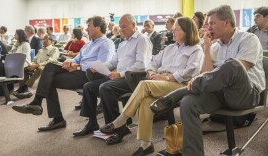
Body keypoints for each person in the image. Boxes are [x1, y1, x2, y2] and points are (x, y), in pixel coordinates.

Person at [153, 5, 265, 156]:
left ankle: (179, 92)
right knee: (188, 103)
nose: (208, 27)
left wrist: (202, 78)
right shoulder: (214, 46)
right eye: (207, 23)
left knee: (233, 64)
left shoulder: (249, 39)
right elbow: (208, 76)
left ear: (227, 22)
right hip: (219, 93)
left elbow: (239, 70)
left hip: (246, 94)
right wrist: (206, 48)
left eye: (212, 23)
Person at [100, 17, 204, 155]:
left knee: (144, 84)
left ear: (187, 31)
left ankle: (122, 119)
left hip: (181, 84)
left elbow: (191, 71)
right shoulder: (170, 48)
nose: (173, 32)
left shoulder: (195, 49)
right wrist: (151, 72)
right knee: (145, 101)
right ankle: (146, 144)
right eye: (173, 30)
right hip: (163, 81)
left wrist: (166, 77)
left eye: (176, 30)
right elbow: (152, 62)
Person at [12, 16, 115, 132]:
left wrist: (79, 66)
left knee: (49, 74)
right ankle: (53, 116)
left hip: (90, 75)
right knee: (49, 72)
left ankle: (41, 105)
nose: (86, 29)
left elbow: (102, 65)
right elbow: (76, 59)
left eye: (89, 26)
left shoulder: (107, 43)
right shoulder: (88, 45)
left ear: (97, 27)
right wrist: (69, 62)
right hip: (78, 72)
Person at [72, 14, 152, 139]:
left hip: (136, 78)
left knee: (105, 87)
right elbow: (113, 62)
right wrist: (99, 67)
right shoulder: (122, 43)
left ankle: (118, 128)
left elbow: (142, 65)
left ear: (134, 25)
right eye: (120, 27)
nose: (121, 30)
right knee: (88, 86)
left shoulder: (142, 39)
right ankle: (92, 123)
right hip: (121, 77)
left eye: (124, 27)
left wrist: (119, 74)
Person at [13, 35, 60, 99]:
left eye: (46, 39)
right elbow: (34, 59)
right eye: (43, 39)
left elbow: (51, 60)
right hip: (36, 65)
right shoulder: (41, 50)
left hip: (48, 67)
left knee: (40, 69)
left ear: (51, 41)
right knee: (24, 68)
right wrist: (32, 65)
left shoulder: (54, 49)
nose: (44, 41)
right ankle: (24, 90)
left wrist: (37, 65)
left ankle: (24, 87)